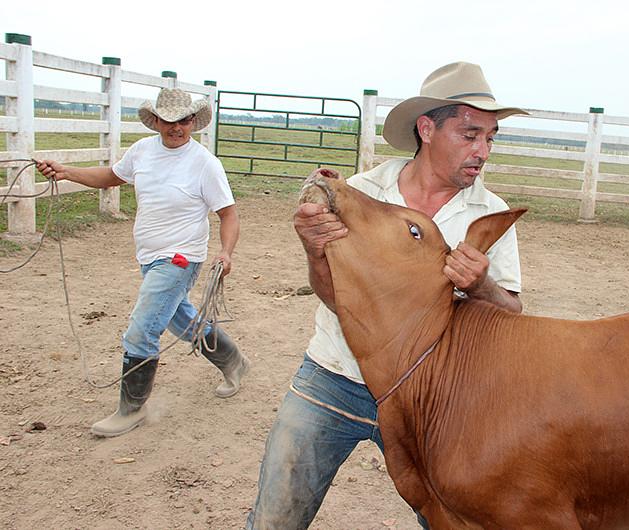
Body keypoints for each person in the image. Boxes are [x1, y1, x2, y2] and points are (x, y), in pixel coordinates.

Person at [246, 61, 527, 529]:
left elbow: (512, 313)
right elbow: (335, 298)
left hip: (433, 394)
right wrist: (316, 253)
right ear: (426, 129)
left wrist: (482, 286)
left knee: (450, 519)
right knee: (275, 517)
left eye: (491, 138)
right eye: (470, 134)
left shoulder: (489, 212)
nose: (483, 151)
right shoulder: (361, 193)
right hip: (336, 375)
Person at [36, 88, 250, 438]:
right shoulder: (142, 152)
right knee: (179, 319)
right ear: (157, 121)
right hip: (149, 257)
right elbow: (111, 176)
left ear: (193, 121)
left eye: (183, 120)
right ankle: (233, 361)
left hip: (181, 258)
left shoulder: (205, 164)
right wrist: (66, 172)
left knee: (143, 326)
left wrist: (226, 252)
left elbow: (228, 214)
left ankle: (131, 409)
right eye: (169, 121)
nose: (176, 127)